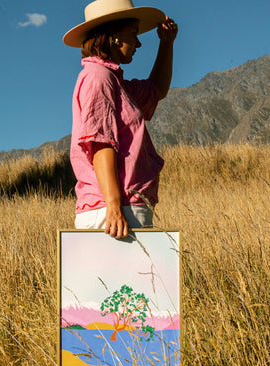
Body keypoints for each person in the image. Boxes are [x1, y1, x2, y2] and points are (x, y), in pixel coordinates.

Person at [63, 0, 177, 240]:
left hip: (119, 207)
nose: (138, 43)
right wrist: (114, 205)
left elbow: (156, 90)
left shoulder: (115, 82)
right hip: (114, 209)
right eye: (134, 34)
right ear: (114, 35)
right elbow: (101, 143)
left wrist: (166, 44)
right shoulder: (99, 76)